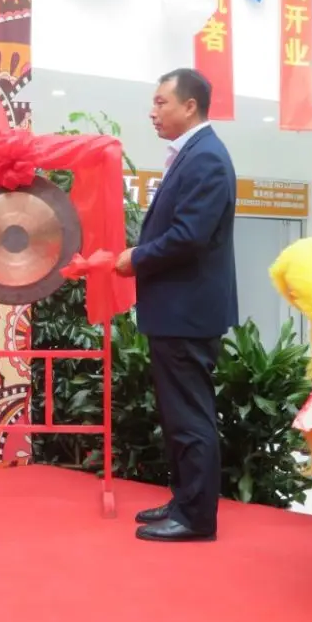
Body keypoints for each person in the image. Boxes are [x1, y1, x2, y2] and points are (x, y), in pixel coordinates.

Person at [114, 67, 237, 542]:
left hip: (188, 311)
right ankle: (185, 499)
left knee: (189, 415)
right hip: (177, 309)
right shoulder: (192, 153)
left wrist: (137, 258)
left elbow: (189, 236)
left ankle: (196, 517)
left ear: (190, 106)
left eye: (161, 102)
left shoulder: (206, 158)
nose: (153, 111)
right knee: (177, 414)